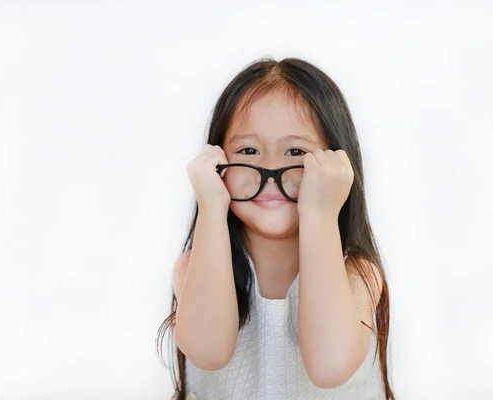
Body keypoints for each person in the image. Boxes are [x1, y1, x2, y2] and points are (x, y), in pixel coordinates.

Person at [157, 57, 394, 400]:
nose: (269, 170)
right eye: (248, 150)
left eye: (296, 151)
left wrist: (320, 213)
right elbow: (208, 352)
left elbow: (330, 367)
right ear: (218, 161)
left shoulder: (358, 274)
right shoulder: (193, 268)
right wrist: (210, 206)